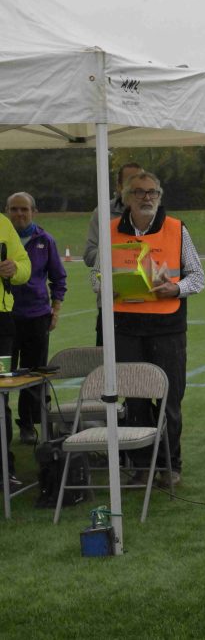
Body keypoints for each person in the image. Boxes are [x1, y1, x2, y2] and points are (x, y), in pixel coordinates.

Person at [91, 170, 205, 487]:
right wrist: (105, 287)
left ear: (160, 195)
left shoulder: (177, 229)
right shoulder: (110, 229)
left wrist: (176, 289)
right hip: (125, 327)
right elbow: (96, 277)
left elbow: (198, 277)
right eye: (139, 192)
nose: (147, 198)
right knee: (136, 400)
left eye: (152, 192)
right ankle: (142, 465)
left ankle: (171, 465)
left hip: (167, 327)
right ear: (126, 198)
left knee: (169, 399)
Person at [5, 192, 67, 445]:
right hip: (4, 316)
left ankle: (29, 423)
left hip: (36, 316)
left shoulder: (45, 240)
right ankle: (4, 426)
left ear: (34, 211)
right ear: (6, 211)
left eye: (24, 209)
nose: (19, 214)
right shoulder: (2, 239)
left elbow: (58, 277)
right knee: (4, 374)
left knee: (33, 373)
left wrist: (56, 308)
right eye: (14, 209)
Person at [85, 162, 143, 345]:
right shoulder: (102, 212)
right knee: (107, 364)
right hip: (112, 302)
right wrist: (120, 256)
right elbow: (89, 254)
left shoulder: (153, 213)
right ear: (118, 186)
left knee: (143, 369)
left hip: (146, 303)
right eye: (129, 181)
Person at [0, 212, 30, 489]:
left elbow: (24, 266)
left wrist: (14, 269)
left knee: (0, 398)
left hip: (2, 321)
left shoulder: (3, 223)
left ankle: (4, 469)